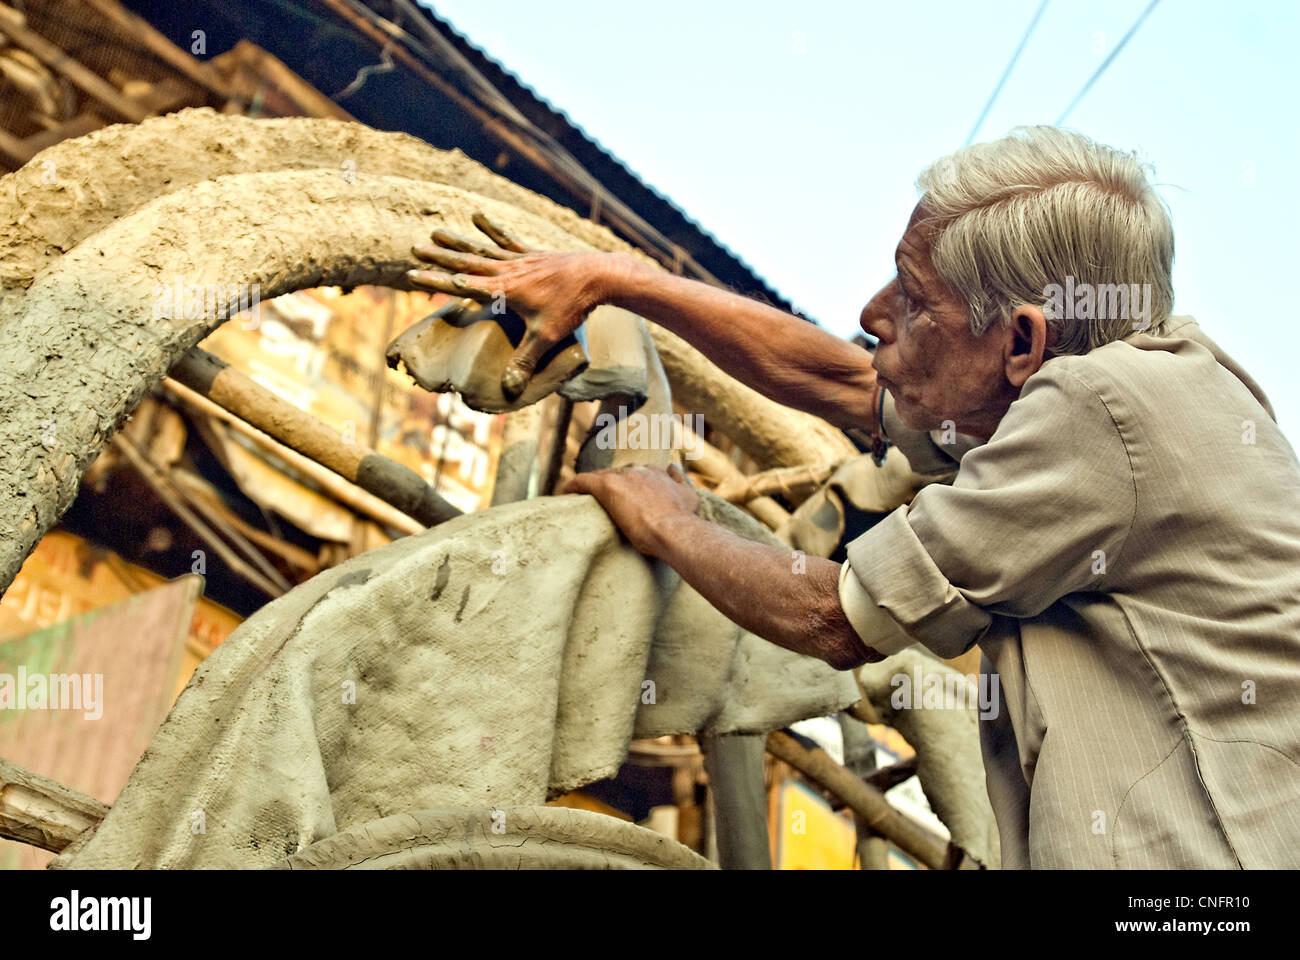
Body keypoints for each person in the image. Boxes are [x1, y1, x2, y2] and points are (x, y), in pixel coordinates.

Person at [407, 126, 1300, 868]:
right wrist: (619, 280)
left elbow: (835, 617)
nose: (873, 312)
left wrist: (670, 518)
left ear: (1023, 340)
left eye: (914, 299)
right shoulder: (1126, 396)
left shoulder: (1099, 407)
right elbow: (840, 382)